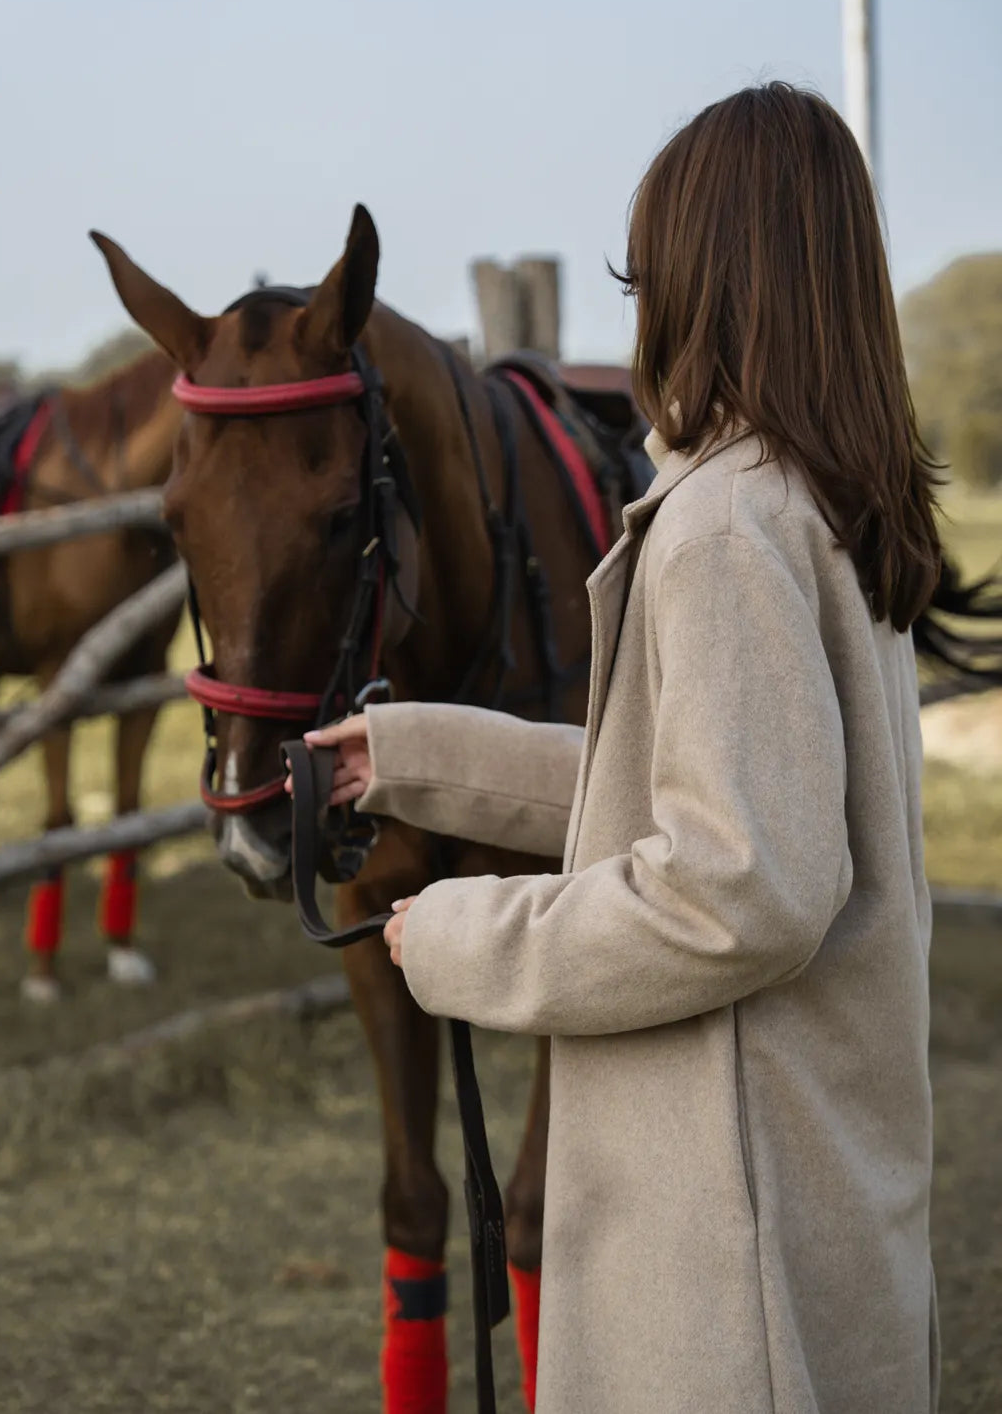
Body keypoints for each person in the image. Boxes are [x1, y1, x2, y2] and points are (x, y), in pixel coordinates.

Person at [304, 83, 941, 1414]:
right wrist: (414, 754)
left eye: (648, 275)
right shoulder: (822, 503)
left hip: (725, 1245)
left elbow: (741, 887)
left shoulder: (722, 533)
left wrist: (471, 937)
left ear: (705, 286)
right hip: (809, 1178)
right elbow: (690, 786)